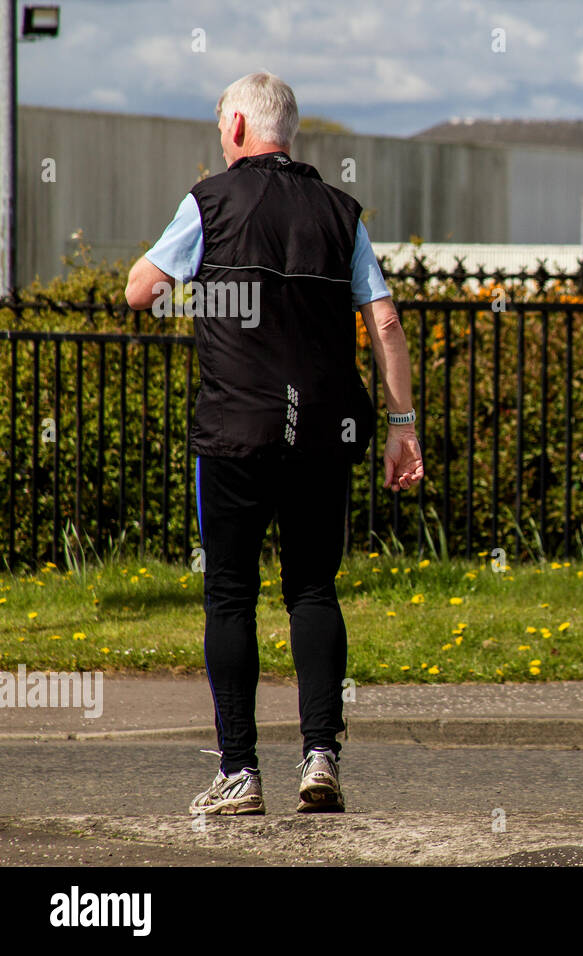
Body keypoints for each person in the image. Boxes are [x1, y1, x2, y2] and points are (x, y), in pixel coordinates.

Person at [124, 72, 424, 815]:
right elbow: (384, 322)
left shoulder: (210, 202)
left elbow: (140, 290)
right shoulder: (340, 212)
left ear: (233, 127)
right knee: (313, 590)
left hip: (235, 432)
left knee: (230, 595)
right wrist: (400, 425)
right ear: (289, 132)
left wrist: (202, 290)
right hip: (324, 432)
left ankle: (239, 773)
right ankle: (321, 757)